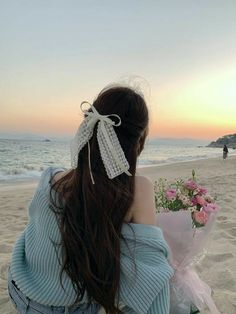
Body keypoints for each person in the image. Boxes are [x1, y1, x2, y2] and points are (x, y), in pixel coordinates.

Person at [8, 86, 173, 314]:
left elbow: (36, 235)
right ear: (139, 138)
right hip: (73, 308)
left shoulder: (49, 179)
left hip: (20, 289)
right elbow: (152, 273)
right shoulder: (137, 190)